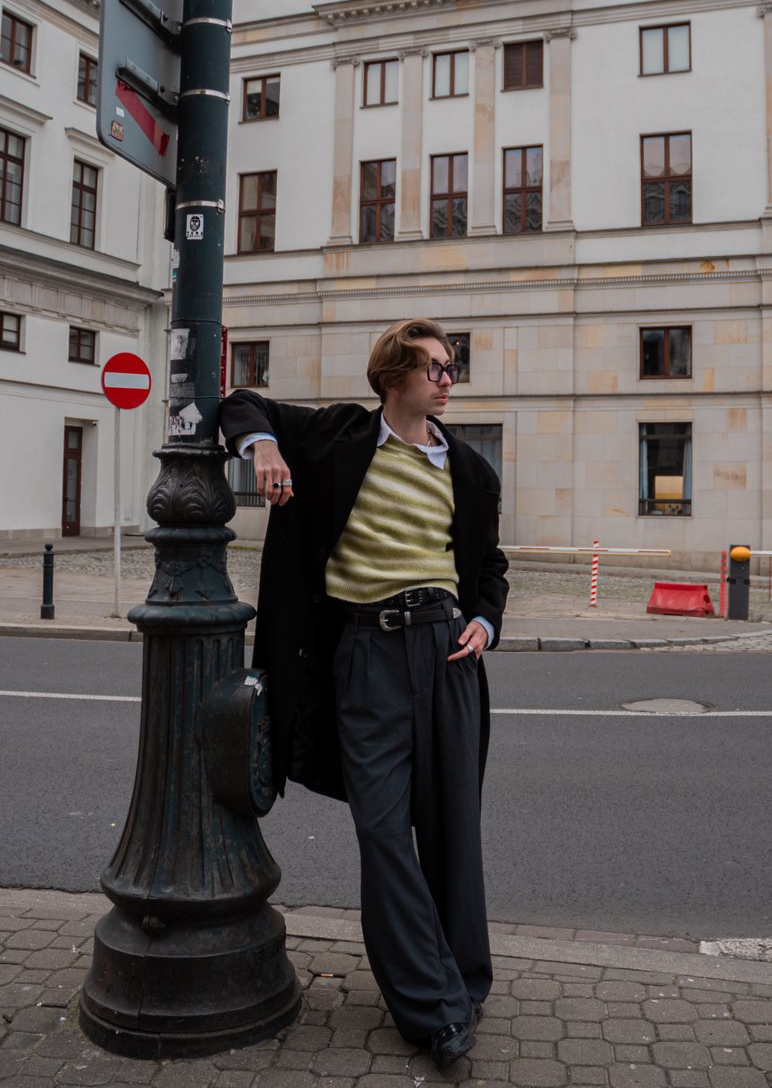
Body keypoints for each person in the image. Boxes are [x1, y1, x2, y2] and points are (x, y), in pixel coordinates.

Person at [219, 318, 508, 1068]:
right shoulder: (338, 437)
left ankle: (462, 981)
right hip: (364, 655)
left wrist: (484, 619)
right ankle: (431, 1008)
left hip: (447, 655)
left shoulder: (469, 471)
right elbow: (239, 403)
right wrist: (265, 448)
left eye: (452, 368)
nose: (449, 379)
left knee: (451, 829)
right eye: (436, 368)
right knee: (383, 832)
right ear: (393, 377)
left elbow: (490, 568)